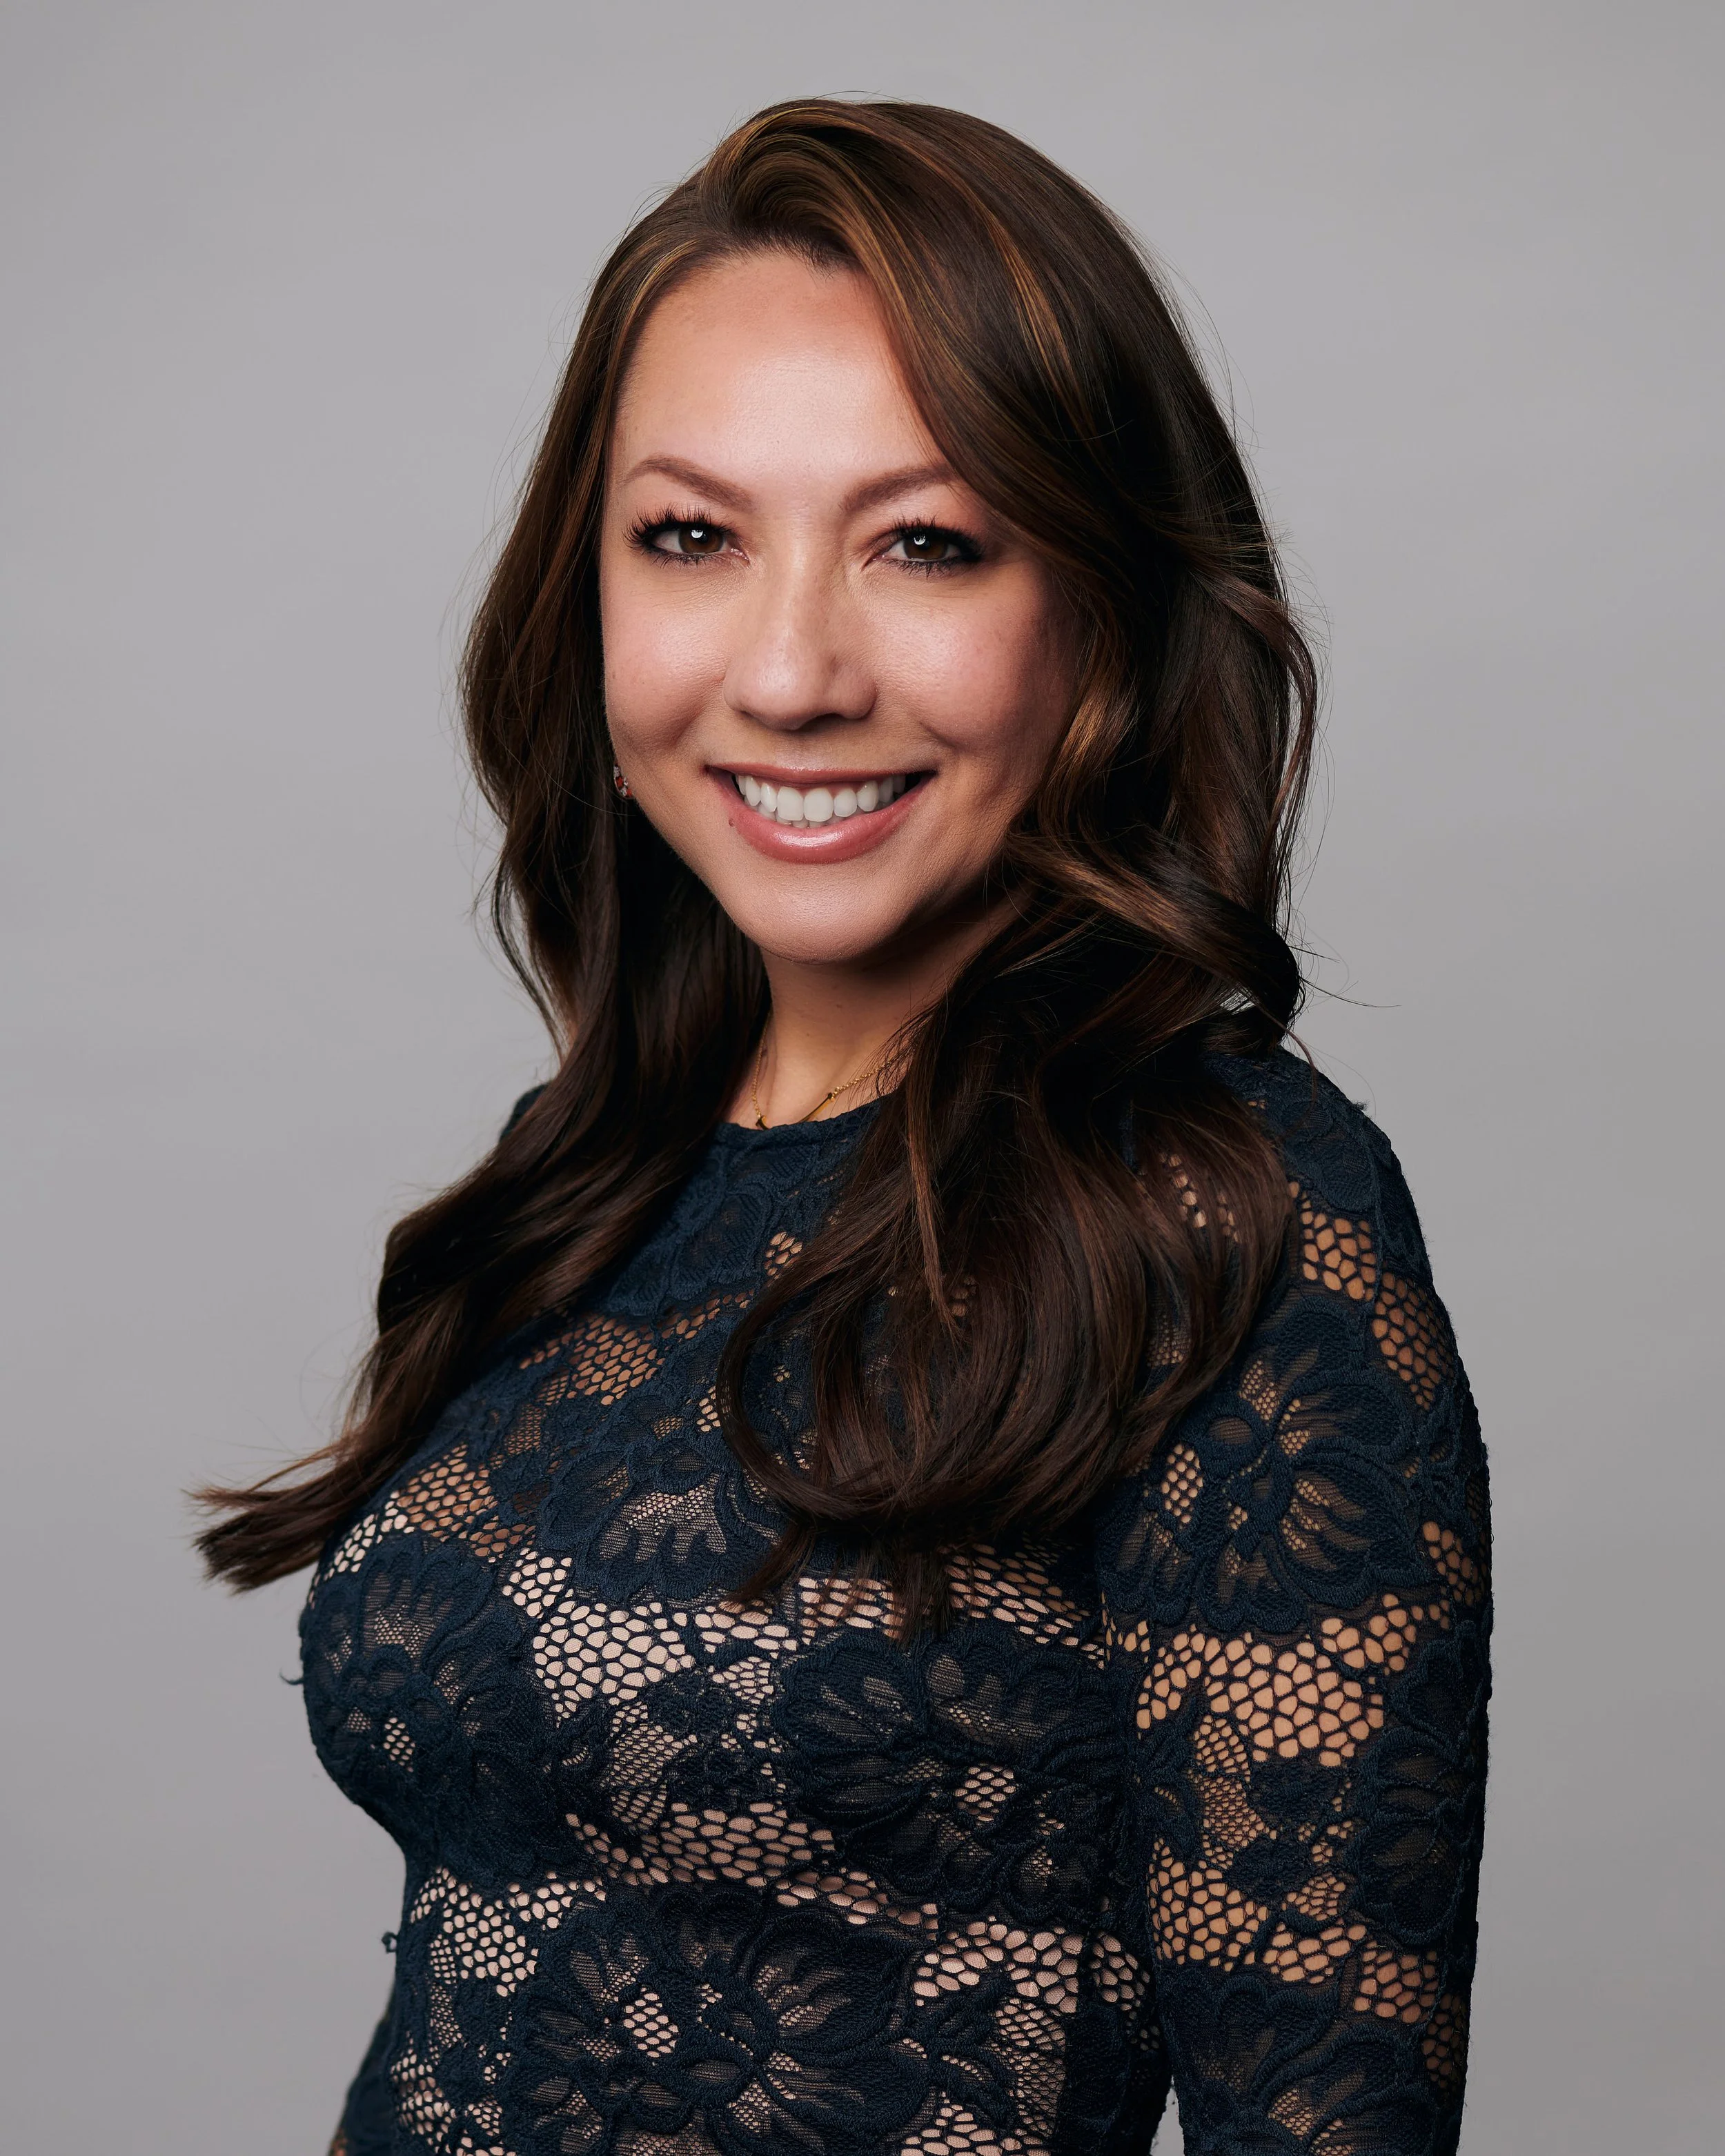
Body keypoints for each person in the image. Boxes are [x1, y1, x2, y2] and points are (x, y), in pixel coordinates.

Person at [200, 98, 1490, 2156]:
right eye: (690, 538)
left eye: (927, 543)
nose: (792, 672)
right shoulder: (590, 1170)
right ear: (583, 591)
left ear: (1099, 612)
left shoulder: (1222, 1212)